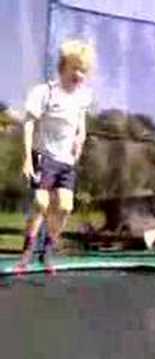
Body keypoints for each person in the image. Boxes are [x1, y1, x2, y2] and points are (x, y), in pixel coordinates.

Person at [15, 39, 96, 274]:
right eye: (75, 69)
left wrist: (80, 138)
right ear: (63, 66)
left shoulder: (83, 96)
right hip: (44, 157)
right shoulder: (44, 92)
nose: (79, 75)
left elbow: (81, 123)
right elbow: (29, 123)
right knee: (41, 202)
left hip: (66, 162)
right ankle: (27, 251)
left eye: (83, 71)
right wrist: (27, 158)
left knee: (66, 206)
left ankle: (48, 249)